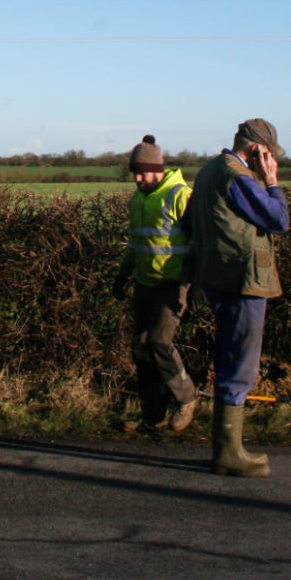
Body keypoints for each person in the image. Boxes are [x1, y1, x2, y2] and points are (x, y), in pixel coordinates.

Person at [181, 118, 291, 477]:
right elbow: (278, 219)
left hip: (216, 278)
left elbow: (187, 225)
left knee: (229, 356)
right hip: (244, 281)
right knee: (241, 364)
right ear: (258, 150)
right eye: (269, 155)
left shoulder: (210, 170)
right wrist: (272, 181)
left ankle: (226, 449)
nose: (271, 161)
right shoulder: (238, 176)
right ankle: (229, 454)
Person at [111, 135, 197, 433]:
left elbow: (199, 242)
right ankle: (153, 416)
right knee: (141, 349)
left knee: (159, 342)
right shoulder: (139, 199)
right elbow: (136, 244)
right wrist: (122, 276)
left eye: (142, 172)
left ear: (158, 169)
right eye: (134, 172)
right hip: (144, 283)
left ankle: (186, 398)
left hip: (174, 284)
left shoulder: (180, 195)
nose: (137, 178)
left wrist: (196, 283)